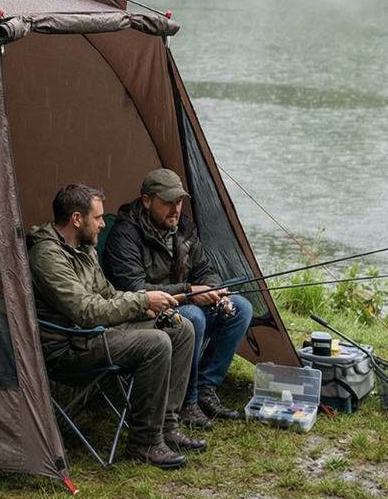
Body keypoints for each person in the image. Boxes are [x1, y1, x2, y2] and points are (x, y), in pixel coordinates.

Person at [27, 182, 202, 469]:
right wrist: (141, 300)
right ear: (76, 219)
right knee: (156, 343)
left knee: (180, 330)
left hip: (95, 335)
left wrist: (147, 304)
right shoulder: (47, 256)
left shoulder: (84, 250)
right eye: (97, 218)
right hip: (68, 348)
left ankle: (166, 425)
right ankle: (144, 442)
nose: (102, 224)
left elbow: (108, 296)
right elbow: (84, 310)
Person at [102, 168, 253, 430]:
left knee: (241, 307)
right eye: (168, 202)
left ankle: (206, 388)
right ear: (147, 201)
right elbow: (134, 288)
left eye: (179, 202)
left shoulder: (184, 228)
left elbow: (205, 269)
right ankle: (187, 401)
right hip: (143, 313)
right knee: (192, 317)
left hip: (180, 302)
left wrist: (215, 292)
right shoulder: (125, 234)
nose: (175, 209)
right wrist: (190, 291)